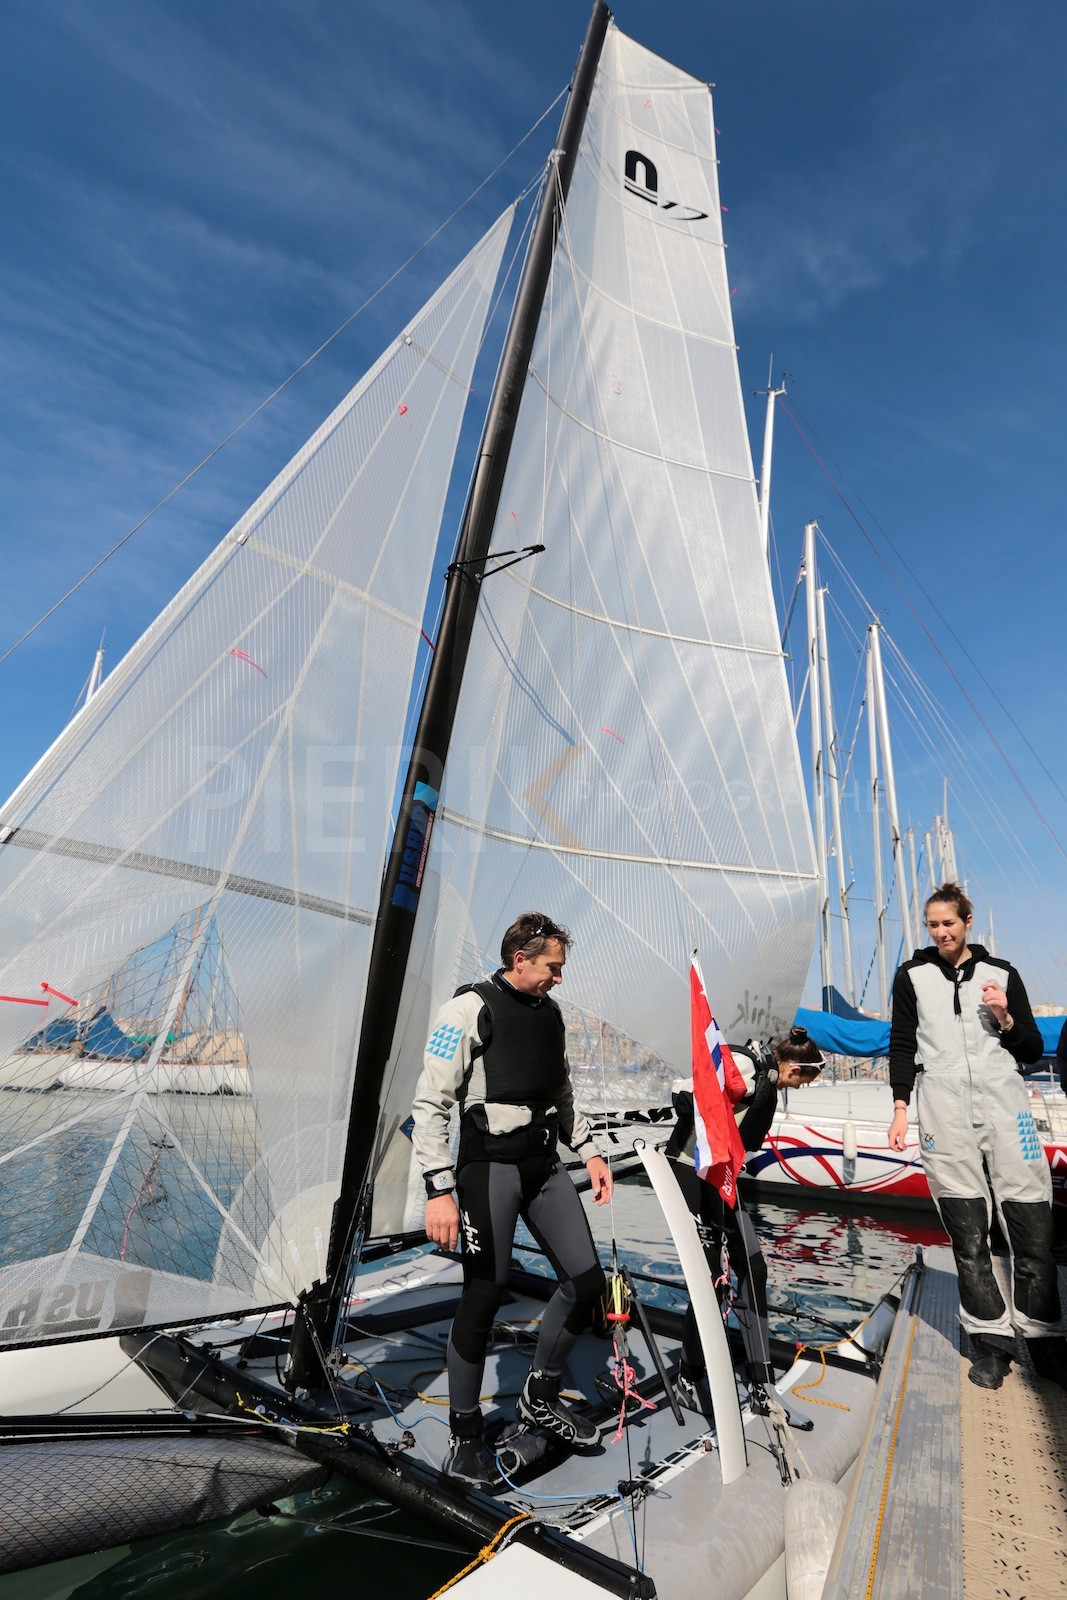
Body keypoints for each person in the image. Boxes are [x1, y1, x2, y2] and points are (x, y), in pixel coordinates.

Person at [411, 912, 612, 1487]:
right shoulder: (464, 1011)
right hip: (489, 1167)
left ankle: (540, 1394)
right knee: (484, 1292)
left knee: (586, 1282)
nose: (558, 978)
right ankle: (466, 1431)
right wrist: (438, 1190)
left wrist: (591, 1152)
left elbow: (562, 1094)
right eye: (553, 967)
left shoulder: (551, 1015)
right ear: (520, 958)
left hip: (543, 1164)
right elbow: (429, 1105)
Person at [888, 883, 1067, 1390]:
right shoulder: (912, 977)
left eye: (949, 922)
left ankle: (1046, 1340)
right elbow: (901, 1044)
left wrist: (1005, 1017)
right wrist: (901, 1107)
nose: (941, 932)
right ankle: (990, 1343)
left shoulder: (1002, 973)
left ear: (968, 922)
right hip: (941, 1107)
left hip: (1006, 1105)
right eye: (932, 924)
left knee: (1032, 1222)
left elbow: (1031, 1047)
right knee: (967, 1230)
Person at [664, 1025, 825, 1405]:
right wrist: (713, 1107)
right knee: (709, 1279)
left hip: (720, 1177)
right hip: (690, 1169)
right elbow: (681, 1091)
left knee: (753, 1269)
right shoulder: (747, 1066)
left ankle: (760, 1379)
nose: (801, 1088)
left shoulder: (769, 1078)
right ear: (793, 1069)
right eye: (805, 1081)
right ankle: (689, 1377)